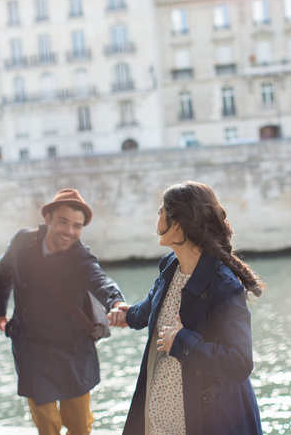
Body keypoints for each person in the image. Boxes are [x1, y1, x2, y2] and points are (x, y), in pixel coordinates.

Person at [108, 181, 266, 435]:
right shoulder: (170, 265)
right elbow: (153, 306)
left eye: (161, 212)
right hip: (160, 417)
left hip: (204, 419)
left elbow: (239, 362)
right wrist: (127, 315)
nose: (157, 219)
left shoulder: (223, 285)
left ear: (178, 224)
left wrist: (182, 341)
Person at [0, 188, 127, 435]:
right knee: (47, 424)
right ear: (48, 219)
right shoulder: (23, 241)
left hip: (72, 346)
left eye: (77, 226)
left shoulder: (80, 255)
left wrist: (116, 302)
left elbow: (100, 280)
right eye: (63, 222)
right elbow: (2, 272)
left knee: (80, 425)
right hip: (32, 345)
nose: (69, 231)